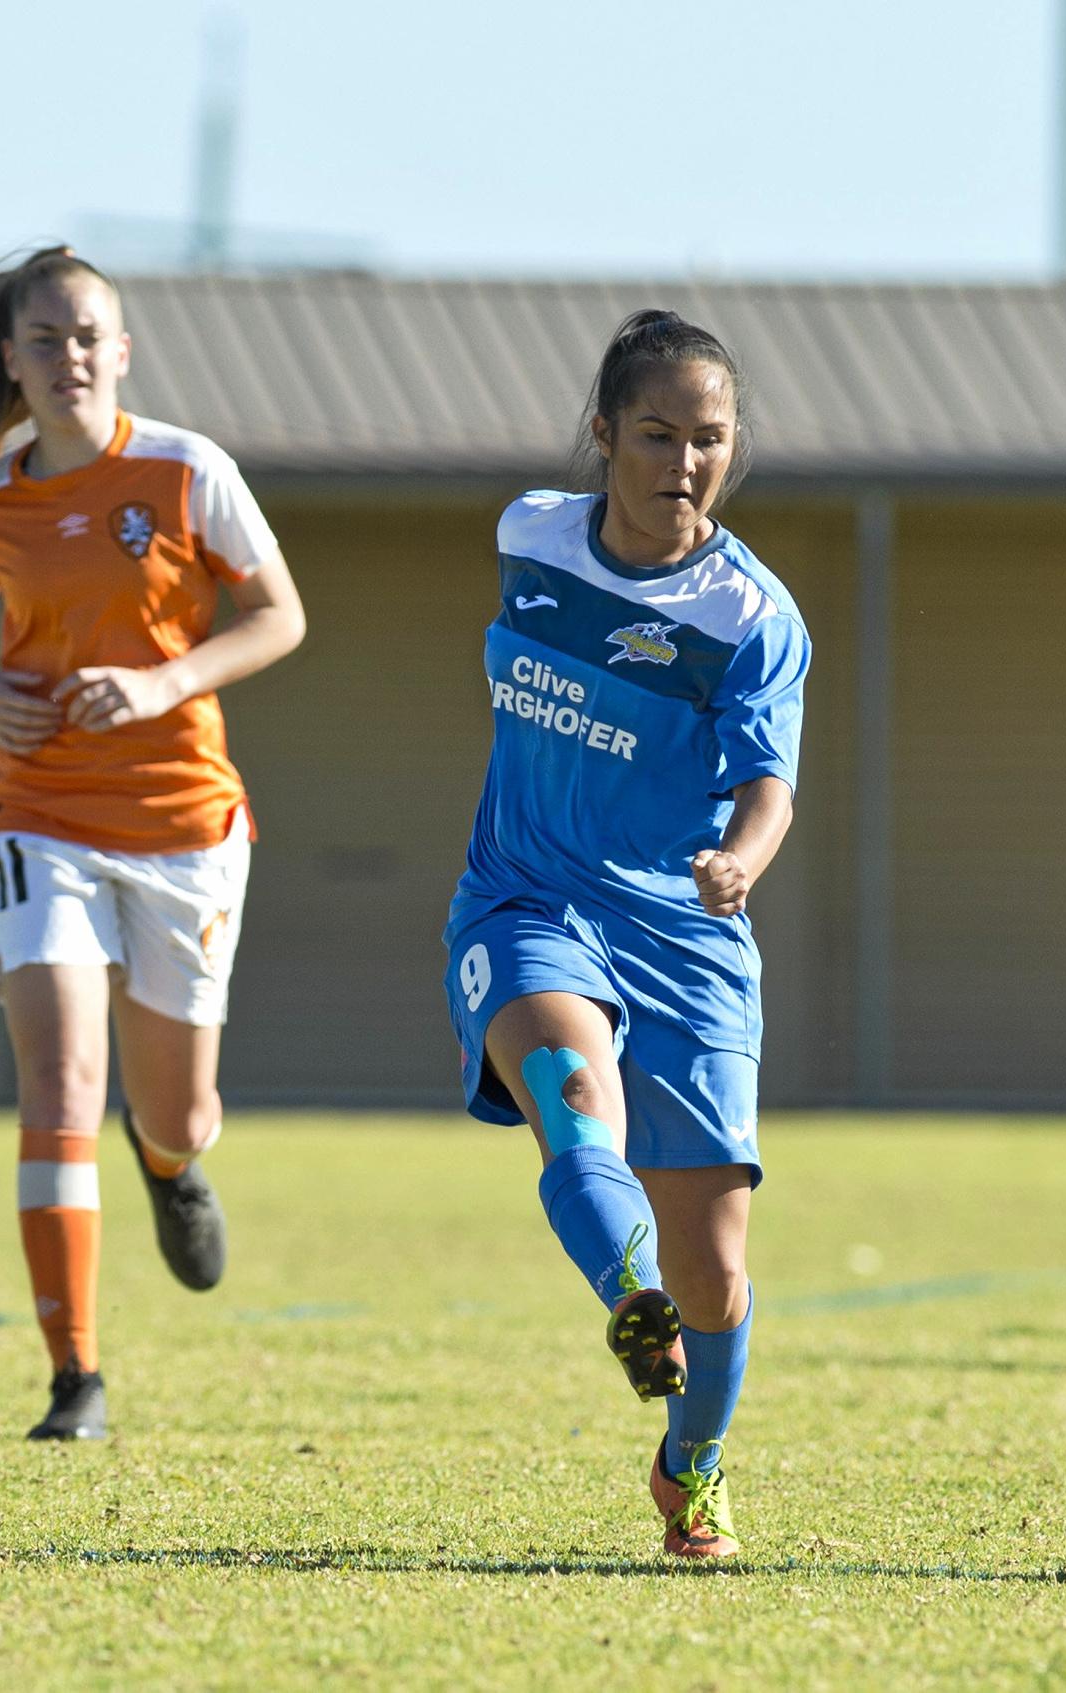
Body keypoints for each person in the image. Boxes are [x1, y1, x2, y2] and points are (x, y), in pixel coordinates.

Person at [0, 246, 307, 1440]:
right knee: (61, 1077)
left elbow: (278, 614)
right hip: (42, 815)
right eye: (45, 339)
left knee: (173, 1108)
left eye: (90, 337)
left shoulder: (188, 471)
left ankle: (171, 1166)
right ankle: (75, 1375)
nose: (69, 356)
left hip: (185, 824)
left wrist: (164, 680)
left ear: (120, 353)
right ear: (11, 362)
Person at [444, 309, 809, 1559]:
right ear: (603, 434)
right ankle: (628, 1301)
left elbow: (769, 785)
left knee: (720, 1269)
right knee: (570, 1096)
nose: (685, 462)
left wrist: (739, 862)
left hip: (687, 938)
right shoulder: (530, 538)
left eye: (710, 438)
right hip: (527, 901)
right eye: (657, 433)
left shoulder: (751, 615)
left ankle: (692, 1461)